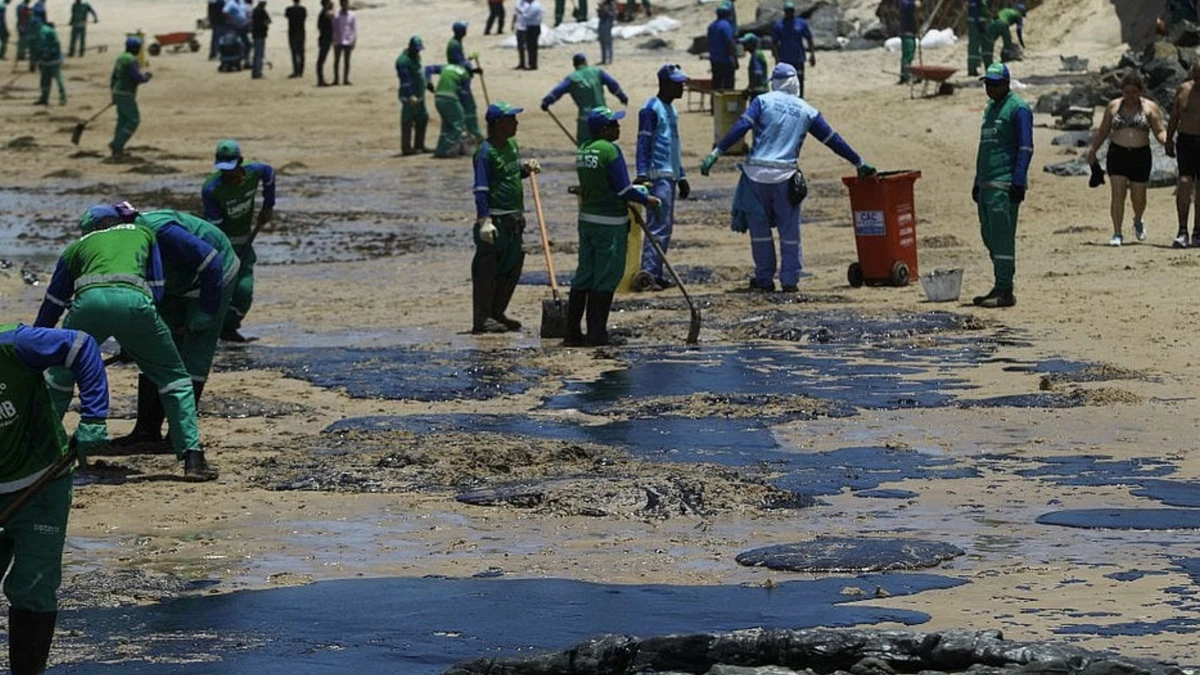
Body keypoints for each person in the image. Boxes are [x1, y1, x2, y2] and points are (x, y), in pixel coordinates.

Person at [34, 205, 216, 480]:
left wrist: (36, 347)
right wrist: (137, 338)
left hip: (87, 307)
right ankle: (192, 458)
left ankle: (41, 455)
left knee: (59, 378)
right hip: (136, 306)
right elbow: (157, 290)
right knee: (174, 378)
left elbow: (54, 303)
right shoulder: (144, 233)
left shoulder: (76, 247)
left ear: (91, 230)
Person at [701, 63, 875, 292]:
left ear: (774, 82)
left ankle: (764, 279)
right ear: (796, 83)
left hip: (755, 176)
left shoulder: (762, 101)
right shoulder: (807, 110)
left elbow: (742, 125)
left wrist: (717, 152)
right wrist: (858, 162)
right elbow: (832, 139)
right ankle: (789, 279)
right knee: (789, 230)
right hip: (785, 176)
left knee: (760, 232)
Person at [0, 322, 109, 675]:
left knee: (32, 585)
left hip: (41, 485)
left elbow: (82, 343)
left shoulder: (15, 345)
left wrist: (93, 416)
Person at [111, 205, 237, 450]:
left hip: (212, 278)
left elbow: (212, 262)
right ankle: (146, 431)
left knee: (194, 353)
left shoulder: (163, 231)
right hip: (172, 283)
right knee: (154, 349)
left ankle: (179, 437)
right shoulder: (118, 245)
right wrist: (132, 340)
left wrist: (206, 311)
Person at [569, 106, 661, 346]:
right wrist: (646, 199)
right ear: (605, 129)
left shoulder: (583, 150)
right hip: (609, 223)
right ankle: (597, 333)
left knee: (585, 274)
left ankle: (572, 333)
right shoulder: (610, 151)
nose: (619, 128)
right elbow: (622, 189)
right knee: (606, 276)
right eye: (615, 124)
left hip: (587, 220)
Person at [470, 102, 541, 334]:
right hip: (495, 221)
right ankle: (482, 318)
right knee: (487, 270)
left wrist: (525, 168)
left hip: (514, 220)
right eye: (511, 120)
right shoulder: (485, 152)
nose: (516, 124)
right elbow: (481, 189)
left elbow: (509, 174)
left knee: (512, 267)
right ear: (498, 124)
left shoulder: (511, 145)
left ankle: (497, 312)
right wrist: (484, 220)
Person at [971, 63, 1032, 308]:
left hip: (1004, 183)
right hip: (986, 183)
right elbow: (985, 148)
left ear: (1006, 83)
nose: (990, 88)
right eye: (987, 83)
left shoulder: (1019, 109)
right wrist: (977, 181)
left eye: (995, 84)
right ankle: (999, 283)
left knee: (1003, 237)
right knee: (989, 235)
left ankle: (1005, 290)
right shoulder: (990, 109)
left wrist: (1018, 181)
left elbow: (1026, 147)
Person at [201, 141, 275, 342]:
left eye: (231, 169)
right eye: (223, 170)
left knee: (243, 290)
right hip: (220, 245)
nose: (228, 175)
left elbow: (269, 173)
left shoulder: (254, 171)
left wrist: (268, 206)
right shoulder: (211, 189)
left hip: (244, 241)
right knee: (220, 290)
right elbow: (216, 228)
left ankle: (228, 328)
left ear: (240, 162)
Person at [1086, 72, 1167, 247]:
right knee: (1118, 194)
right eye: (1127, 92)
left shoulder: (1150, 108)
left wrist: (1167, 142)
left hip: (1140, 155)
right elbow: (1103, 131)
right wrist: (1093, 150)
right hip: (1117, 154)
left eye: (1134, 92)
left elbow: (1159, 130)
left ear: (1140, 91)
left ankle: (1138, 219)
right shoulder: (1113, 107)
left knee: (1138, 198)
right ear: (1122, 91)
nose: (1130, 96)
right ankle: (1117, 232)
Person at [632, 64, 689, 293]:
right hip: (657, 176)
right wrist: (643, 174)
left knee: (665, 227)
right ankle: (648, 274)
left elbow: (673, 146)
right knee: (657, 227)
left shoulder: (671, 110)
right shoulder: (650, 109)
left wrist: (682, 175)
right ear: (664, 84)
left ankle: (656, 271)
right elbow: (643, 143)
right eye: (677, 83)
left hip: (670, 174)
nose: (681, 87)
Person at [541, 52, 628, 146]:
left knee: (585, 145)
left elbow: (557, 91)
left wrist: (546, 102)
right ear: (586, 62)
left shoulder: (572, 78)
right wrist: (622, 97)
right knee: (606, 143)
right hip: (603, 114)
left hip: (585, 119)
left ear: (574, 65)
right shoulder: (597, 72)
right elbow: (613, 84)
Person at [1166, 61, 1200, 248]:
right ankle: (1182, 230)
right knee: (1185, 182)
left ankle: (1197, 231)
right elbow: (1174, 116)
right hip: (1186, 140)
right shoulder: (1184, 89)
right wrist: (1168, 139)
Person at [109, 36, 151, 157]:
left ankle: (118, 149)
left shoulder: (120, 58)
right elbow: (137, 78)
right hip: (126, 93)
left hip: (117, 92)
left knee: (122, 120)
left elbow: (113, 77)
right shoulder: (131, 60)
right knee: (133, 120)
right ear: (135, 48)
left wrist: (112, 94)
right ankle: (117, 144)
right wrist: (147, 77)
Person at [425, 62, 473, 157]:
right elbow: (465, 94)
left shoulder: (447, 67)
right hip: (450, 98)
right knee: (458, 124)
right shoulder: (465, 75)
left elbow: (428, 68)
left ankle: (440, 149)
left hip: (438, 97)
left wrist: (429, 82)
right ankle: (445, 150)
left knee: (446, 125)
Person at [447, 23, 485, 144]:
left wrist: (469, 59)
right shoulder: (454, 45)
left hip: (462, 77)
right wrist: (473, 69)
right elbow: (459, 63)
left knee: (467, 106)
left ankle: (470, 133)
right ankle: (474, 134)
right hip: (460, 80)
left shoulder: (456, 43)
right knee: (469, 107)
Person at [771, 1, 815, 98]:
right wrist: (777, 59)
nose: (789, 13)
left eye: (791, 11)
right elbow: (774, 43)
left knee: (799, 80)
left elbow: (809, 38)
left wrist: (812, 54)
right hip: (785, 59)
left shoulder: (801, 24)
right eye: (787, 11)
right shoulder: (779, 25)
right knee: (785, 81)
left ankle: (800, 99)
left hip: (798, 58)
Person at [397, 35, 430, 156]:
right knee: (408, 121)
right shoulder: (402, 61)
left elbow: (418, 73)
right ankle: (406, 148)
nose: (418, 51)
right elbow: (404, 80)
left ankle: (419, 145)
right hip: (409, 97)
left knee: (423, 118)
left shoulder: (416, 57)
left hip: (419, 95)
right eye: (416, 49)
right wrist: (410, 95)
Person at [33, 19, 65, 105]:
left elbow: (55, 46)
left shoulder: (44, 32)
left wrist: (45, 55)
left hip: (53, 60)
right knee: (46, 80)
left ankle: (62, 99)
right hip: (47, 61)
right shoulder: (42, 31)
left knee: (57, 79)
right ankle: (44, 98)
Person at [708, 3, 736, 91]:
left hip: (714, 60)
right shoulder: (726, 26)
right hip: (726, 60)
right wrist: (734, 58)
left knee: (716, 84)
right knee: (728, 86)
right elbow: (729, 43)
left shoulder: (711, 26)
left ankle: (715, 104)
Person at [331, 0, 354, 85]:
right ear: (341, 4)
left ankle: (346, 79)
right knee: (337, 61)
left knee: (347, 62)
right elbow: (333, 28)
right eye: (343, 3)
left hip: (348, 40)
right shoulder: (336, 15)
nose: (345, 5)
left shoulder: (352, 15)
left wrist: (353, 40)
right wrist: (333, 39)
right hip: (338, 40)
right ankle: (336, 79)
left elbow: (353, 29)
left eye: (346, 3)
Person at [965, 0, 991, 77]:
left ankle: (988, 67)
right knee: (974, 46)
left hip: (983, 23)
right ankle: (972, 69)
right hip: (975, 23)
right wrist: (978, 22)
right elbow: (973, 9)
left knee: (986, 45)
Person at [898, 0, 919, 85]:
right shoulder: (905, 2)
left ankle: (905, 75)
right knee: (907, 55)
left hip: (911, 31)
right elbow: (905, 5)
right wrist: (914, 4)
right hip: (906, 32)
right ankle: (906, 76)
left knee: (910, 54)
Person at [285, 0, 305, 77]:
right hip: (301, 32)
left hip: (292, 32)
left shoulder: (289, 9)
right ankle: (300, 71)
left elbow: (287, 16)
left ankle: (295, 70)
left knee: (294, 52)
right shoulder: (303, 9)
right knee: (301, 52)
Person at [250, 0, 269, 79]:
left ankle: (254, 72)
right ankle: (258, 72)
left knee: (256, 54)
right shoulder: (262, 11)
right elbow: (268, 20)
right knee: (259, 54)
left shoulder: (254, 10)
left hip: (255, 34)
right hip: (261, 34)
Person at [315, 0, 331, 85]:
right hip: (325, 39)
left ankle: (320, 79)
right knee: (321, 60)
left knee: (321, 60)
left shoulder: (323, 14)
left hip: (324, 38)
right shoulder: (324, 14)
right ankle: (320, 79)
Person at [524, 0, 542, 70]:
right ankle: (531, 63)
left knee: (532, 47)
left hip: (533, 28)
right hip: (533, 27)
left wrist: (521, 13)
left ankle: (533, 64)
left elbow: (527, 16)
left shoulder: (534, 6)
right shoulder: (534, 4)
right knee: (531, 47)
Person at [597, 0, 615, 64]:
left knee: (607, 42)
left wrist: (603, 9)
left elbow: (611, 14)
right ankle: (604, 59)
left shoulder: (611, 5)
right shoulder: (604, 5)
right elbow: (600, 14)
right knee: (602, 42)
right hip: (602, 23)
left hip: (607, 24)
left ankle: (609, 59)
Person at [513, 0, 529, 69]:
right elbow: (515, 14)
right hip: (519, 27)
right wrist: (513, 24)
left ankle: (529, 63)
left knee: (528, 46)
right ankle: (521, 62)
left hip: (527, 27)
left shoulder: (530, 3)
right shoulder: (518, 2)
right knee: (520, 47)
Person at [15, 0, 29, 64]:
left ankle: (21, 54)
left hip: (21, 24)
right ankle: (21, 55)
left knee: (22, 40)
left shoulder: (20, 6)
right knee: (23, 41)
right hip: (23, 25)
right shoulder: (23, 7)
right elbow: (24, 15)